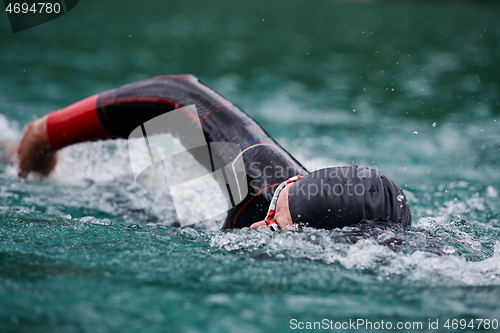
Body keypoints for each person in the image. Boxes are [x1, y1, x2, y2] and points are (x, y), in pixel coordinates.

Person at [16, 74, 412, 230]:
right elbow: (178, 93)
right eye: (273, 214)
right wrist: (45, 135)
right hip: (152, 197)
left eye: (275, 227)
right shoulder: (256, 180)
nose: (260, 226)